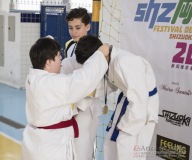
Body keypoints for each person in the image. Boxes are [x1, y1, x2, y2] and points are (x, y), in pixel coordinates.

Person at [21, 37, 109, 160]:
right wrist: (100, 55)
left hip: (37, 142)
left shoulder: (34, 77)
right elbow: (83, 80)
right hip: (51, 148)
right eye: (58, 56)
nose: (61, 58)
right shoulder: (49, 83)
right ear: (48, 62)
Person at [75, 35, 159, 160]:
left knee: (127, 149)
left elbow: (140, 99)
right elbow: (113, 84)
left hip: (141, 109)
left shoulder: (123, 62)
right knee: (111, 144)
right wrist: (89, 92)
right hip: (127, 101)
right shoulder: (109, 59)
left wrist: (126, 124)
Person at [61, 7, 105, 160]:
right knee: (72, 149)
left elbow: (101, 80)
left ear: (88, 27)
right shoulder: (70, 46)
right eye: (70, 28)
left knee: (85, 149)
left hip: (88, 108)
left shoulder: (98, 49)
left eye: (78, 28)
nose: (74, 32)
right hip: (71, 107)